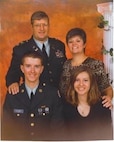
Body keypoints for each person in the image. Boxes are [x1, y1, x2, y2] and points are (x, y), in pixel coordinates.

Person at [2, 52, 65, 141]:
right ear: (22, 68)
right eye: (28, 66)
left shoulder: (52, 94)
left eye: (36, 66)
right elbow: (7, 131)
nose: (32, 71)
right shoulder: (13, 95)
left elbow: (58, 131)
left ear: (41, 69)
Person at [6, 10, 67, 95]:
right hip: (36, 97)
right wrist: (13, 83)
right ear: (32, 27)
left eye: (44, 25)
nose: (42, 29)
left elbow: (65, 70)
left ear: (48, 26)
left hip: (59, 96)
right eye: (37, 25)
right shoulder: (21, 49)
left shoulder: (59, 45)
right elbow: (13, 74)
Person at [59, 27, 113, 109]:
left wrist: (108, 97)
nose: (74, 44)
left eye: (78, 41)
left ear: (84, 44)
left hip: (91, 111)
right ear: (67, 45)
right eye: (71, 42)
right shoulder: (65, 65)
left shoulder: (96, 64)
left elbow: (106, 88)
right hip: (68, 111)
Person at [62, 66, 113, 140]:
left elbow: (108, 136)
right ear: (72, 83)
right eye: (77, 80)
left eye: (85, 80)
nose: (81, 84)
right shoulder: (64, 106)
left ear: (91, 83)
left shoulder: (103, 105)